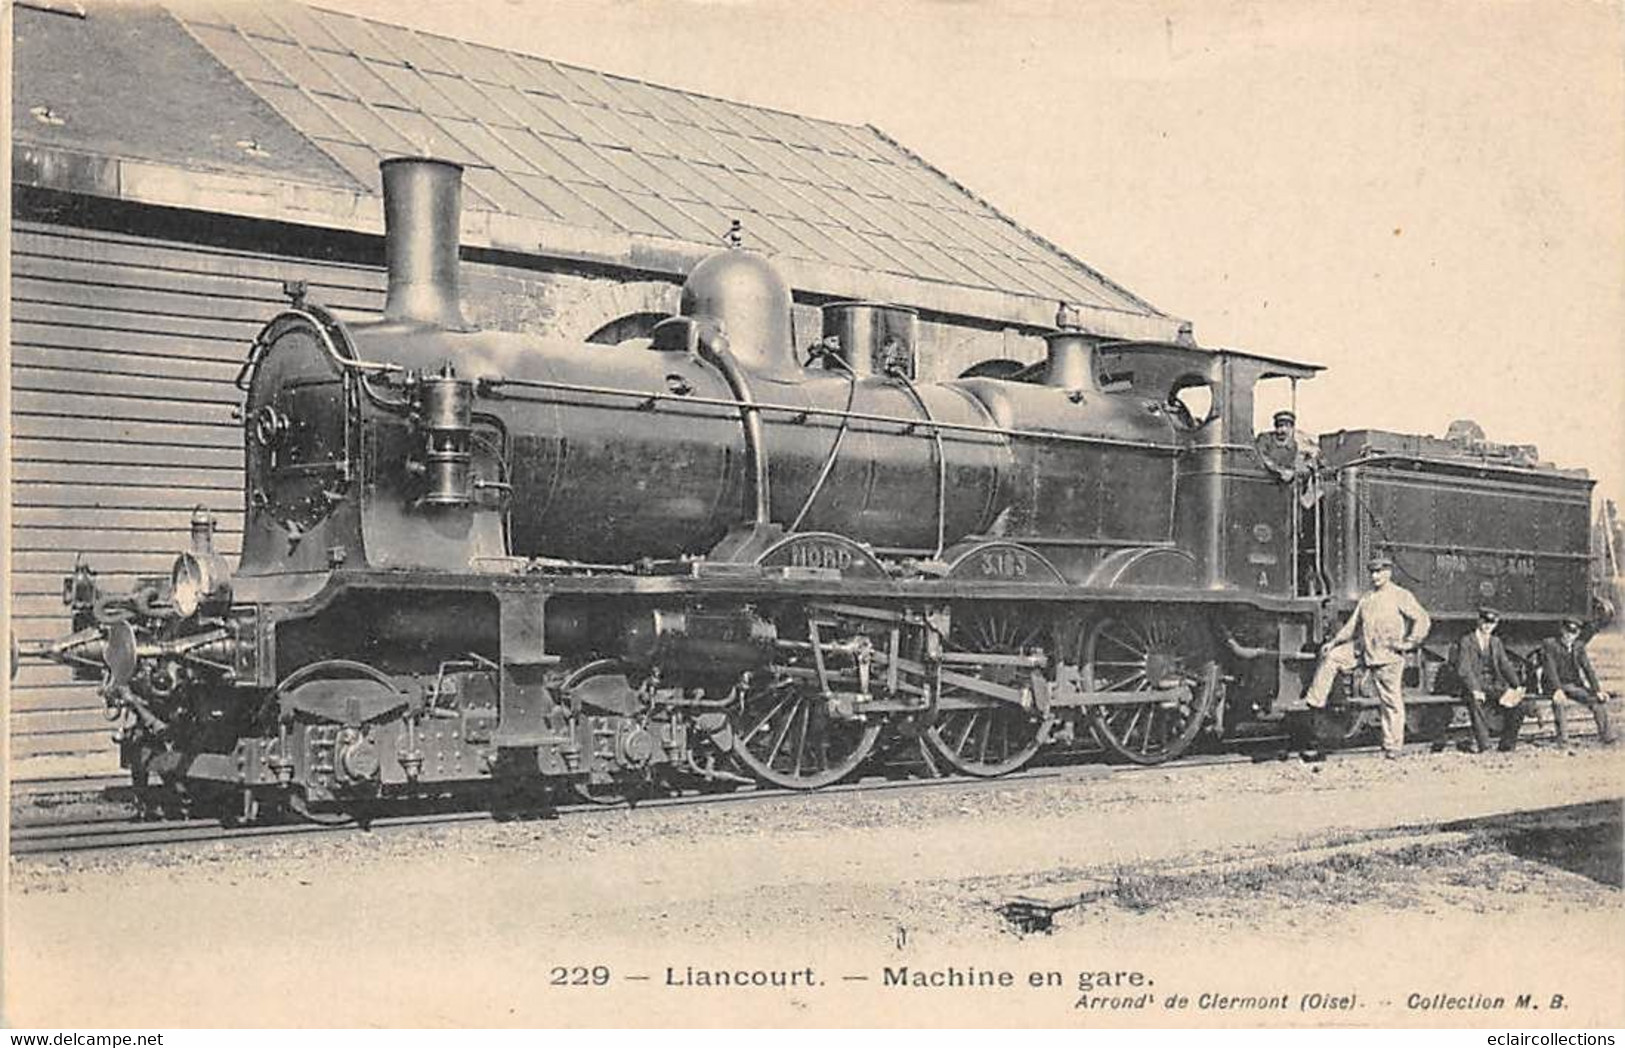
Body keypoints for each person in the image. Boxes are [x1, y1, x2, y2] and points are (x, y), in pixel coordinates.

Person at [1303, 552, 1432, 759]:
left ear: (1389, 573)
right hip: (1363, 649)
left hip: (1388, 655)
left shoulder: (1400, 595)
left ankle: (1393, 747)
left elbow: (1422, 619)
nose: (1375, 577)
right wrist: (1334, 642)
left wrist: (1410, 642)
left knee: (1390, 702)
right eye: (1372, 572)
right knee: (1334, 656)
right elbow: (1352, 626)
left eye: (1379, 572)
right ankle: (1316, 700)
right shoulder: (1367, 598)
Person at [1452, 606, 1527, 752]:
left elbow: (1505, 665)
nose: (1488, 626)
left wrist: (1517, 686)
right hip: (1472, 685)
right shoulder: (1466, 641)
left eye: (1492, 623)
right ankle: (1484, 746)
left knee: (1520, 705)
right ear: (1479, 621)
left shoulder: (1496, 642)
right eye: (1485, 622)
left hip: (1493, 685)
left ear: (1496, 624)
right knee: (1476, 702)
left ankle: (1507, 744)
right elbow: (1464, 669)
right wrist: (1474, 689)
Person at [1540, 617, 1617, 745]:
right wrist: (1557, 690)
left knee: (1596, 701)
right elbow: (1550, 670)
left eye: (1574, 633)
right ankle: (1563, 740)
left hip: (1573, 685)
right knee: (1559, 703)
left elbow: (1588, 669)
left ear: (1578, 634)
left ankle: (1607, 736)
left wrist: (1597, 690)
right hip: (1554, 685)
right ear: (1562, 631)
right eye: (1568, 632)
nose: (1570, 636)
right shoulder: (1550, 644)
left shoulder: (1578, 646)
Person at [1255, 410, 1301, 482]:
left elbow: (1292, 465)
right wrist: (1280, 471)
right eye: (1280, 426)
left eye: (1287, 426)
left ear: (1291, 428)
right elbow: (1262, 459)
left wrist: (1292, 473)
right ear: (1275, 427)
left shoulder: (1293, 445)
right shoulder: (1265, 439)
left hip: (1282, 483)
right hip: (1264, 479)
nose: (1283, 430)